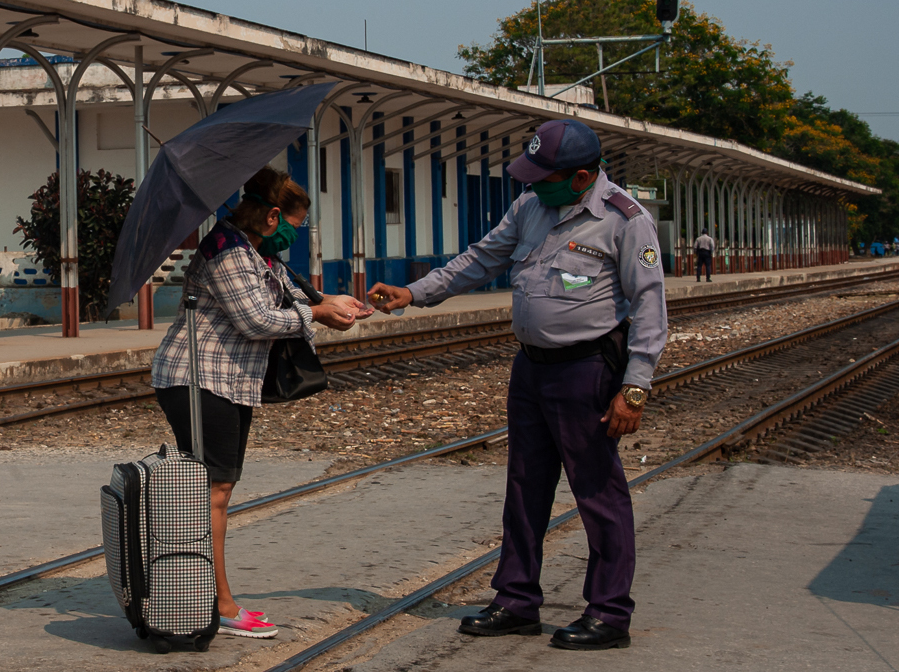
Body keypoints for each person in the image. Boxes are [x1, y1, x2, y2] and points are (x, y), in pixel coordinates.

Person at [368, 119, 667, 651]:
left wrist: (635, 387)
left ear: (580, 177)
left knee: (598, 492)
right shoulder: (530, 207)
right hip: (531, 369)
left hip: (588, 371)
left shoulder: (625, 220)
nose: (531, 186)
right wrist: (413, 293)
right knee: (525, 487)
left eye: (543, 177)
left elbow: (649, 307)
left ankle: (608, 611)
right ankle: (516, 600)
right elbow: (481, 259)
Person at [151, 167, 370, 638]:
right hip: (198, 378)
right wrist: (315, 313)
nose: (295, 233)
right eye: (294, 223)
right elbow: (256, 320)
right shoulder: (227, 250)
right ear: (273, 216)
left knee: (215, 490)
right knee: (213, 493)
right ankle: (218, 604)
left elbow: (289, 297)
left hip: (225, 381)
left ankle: (201, 594)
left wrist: (333, 302)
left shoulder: (253, 251)